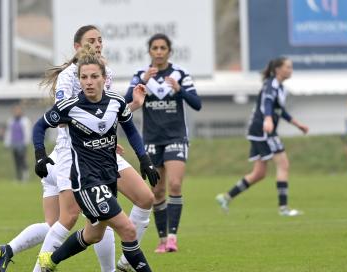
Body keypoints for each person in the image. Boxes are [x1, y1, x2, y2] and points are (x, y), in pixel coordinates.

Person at [0, 25, 155, 272]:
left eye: (101, 40)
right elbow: (63, 117)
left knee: (143, 198)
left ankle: (122, 263)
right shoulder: (70, 76)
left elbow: (108, 109)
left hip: (102, 150)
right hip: (73, 151)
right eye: (91, 41)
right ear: (77, 47)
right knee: (68, 218)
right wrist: (97, 132)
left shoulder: (106, 72)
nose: (98, 44)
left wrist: (129, 109)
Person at [33, 48, 179, 272]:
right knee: (128, 229)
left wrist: (145, 160)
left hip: (109, 177)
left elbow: (130, 129)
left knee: (94, 234)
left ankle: (50, 261)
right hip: (86, 182)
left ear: (103, 78)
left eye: (93, 77)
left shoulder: (115, 102)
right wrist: (40, 155)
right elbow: (40, 126)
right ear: (79, 80)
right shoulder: (70, 106)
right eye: (84, 77)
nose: (88, 82)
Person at [124, 33, 202, 253]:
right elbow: (127, 100)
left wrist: (180, 90)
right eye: (155, 48)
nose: (159, 51)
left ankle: (173, 238)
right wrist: (144, 81)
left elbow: (197, 104)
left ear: (169, 51)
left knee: (175, 185)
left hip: (175, 137)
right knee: (157, 191)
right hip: (151, 139)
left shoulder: (180, 74)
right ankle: (161, 239)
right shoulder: (141, 74)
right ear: (149, 51)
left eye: (163, 48)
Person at [215, 56, 309, 216]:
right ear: (278, 69)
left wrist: (297, 124)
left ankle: (226, 197)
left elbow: (280, 110)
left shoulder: (280, 87)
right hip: (263, 130)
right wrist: (267, 119)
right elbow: (267, 102)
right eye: (288, 67)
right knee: (283, 165)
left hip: (258, 130)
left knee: (259, 173)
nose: (290, 70)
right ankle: (284, 209)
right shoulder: (271, 85)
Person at [3, 104, 32, 182]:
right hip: (14, 143)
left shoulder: (25, 120)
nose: (16, 112)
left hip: (22, 143)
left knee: (22, 159)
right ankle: (18, 177)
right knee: (16, 160)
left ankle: (25, 175)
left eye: (18, 110)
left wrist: (26, 142)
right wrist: (7, 143)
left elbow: (27, 132)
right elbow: (8, 132)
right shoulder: (11, 121)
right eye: (15, 111)